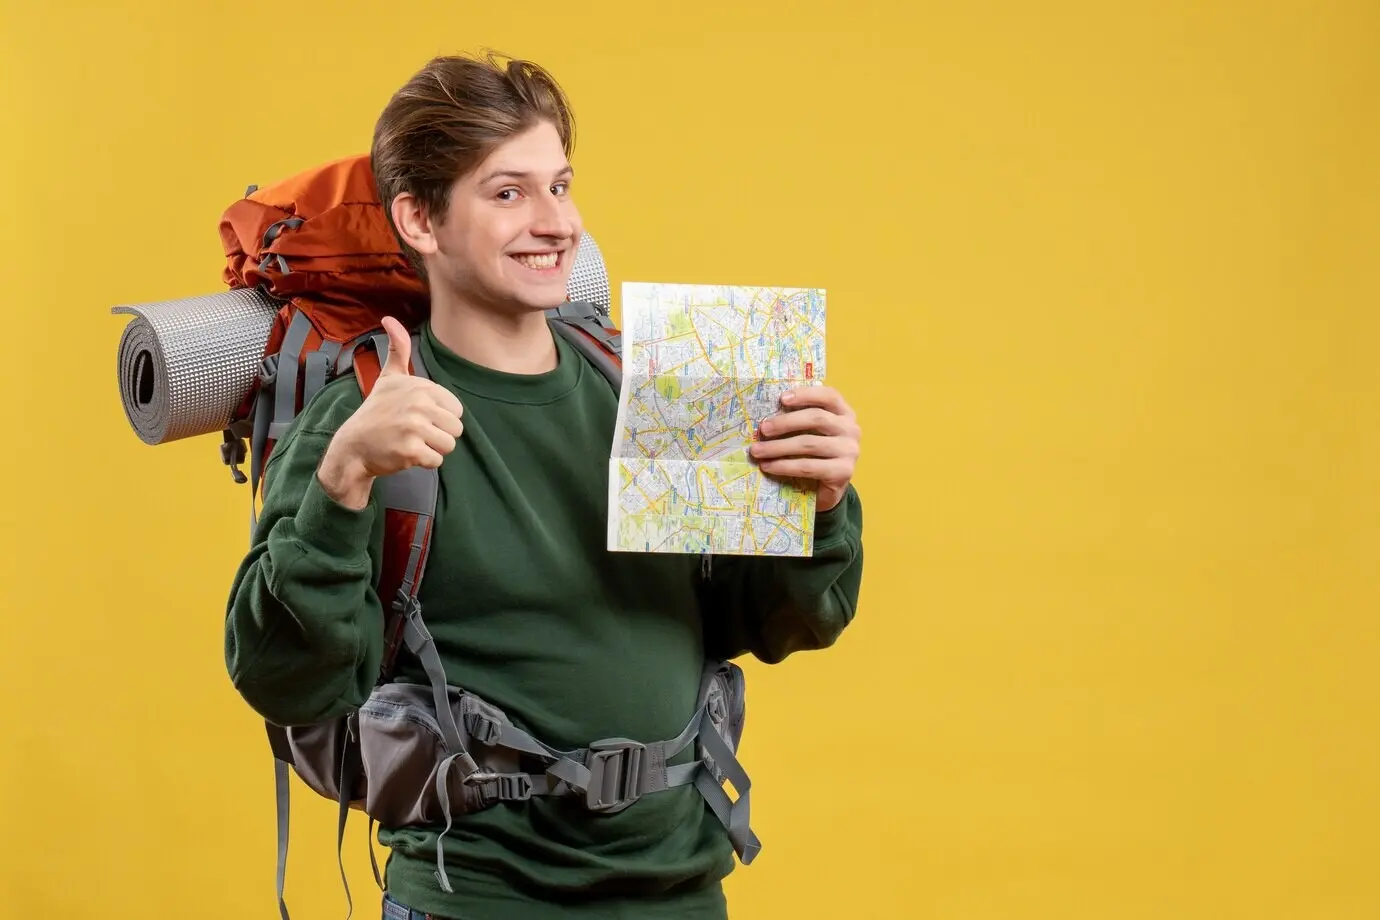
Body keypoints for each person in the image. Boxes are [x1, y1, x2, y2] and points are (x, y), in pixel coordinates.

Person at [223, 51, 865, 920]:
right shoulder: (366, 419)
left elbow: (778, 621)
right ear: (419, 218)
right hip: (476, 900)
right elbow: (284, 679)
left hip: (682, 895)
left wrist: (819, 505)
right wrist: (341, 480)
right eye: (507, 192)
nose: (555, 221)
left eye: (560, 185)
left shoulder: (655, 385)